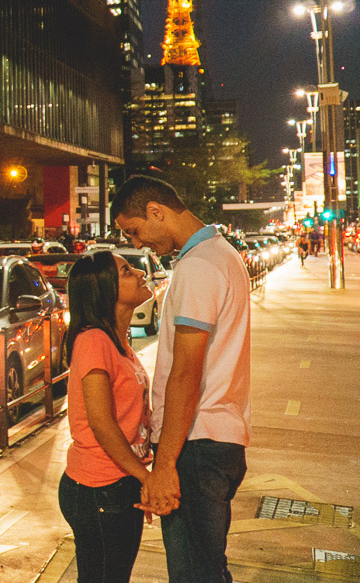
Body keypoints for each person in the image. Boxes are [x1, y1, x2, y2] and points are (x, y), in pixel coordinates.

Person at [111, 175, 250, 583]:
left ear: (157, 211)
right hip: (217, 436)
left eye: (134, 231)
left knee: (195, 573)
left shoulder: (198, 267)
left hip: (196, 444)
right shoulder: (220, 255)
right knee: (205, 568)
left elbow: (186, 374)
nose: (136, 244)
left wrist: (165, 463)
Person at [58, 251, 154, 583]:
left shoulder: (116, 342)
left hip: (117, 483)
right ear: (105, 290)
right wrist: (145, 478)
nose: (141, 273)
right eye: (127, 271)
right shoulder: (93, 341)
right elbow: (101, 422)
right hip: (99, 488)